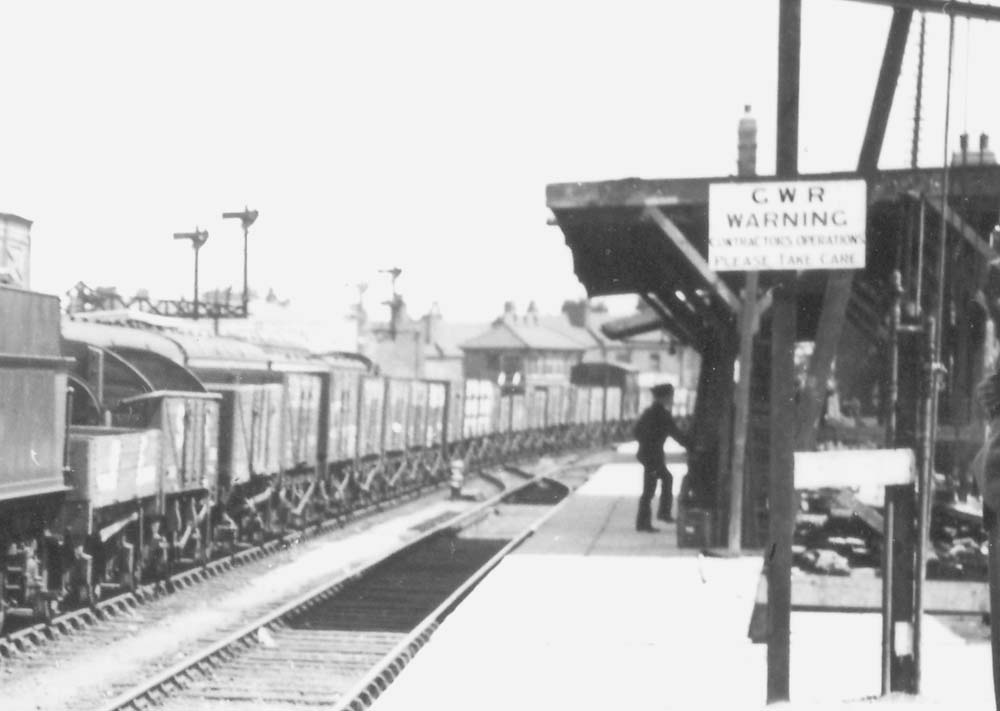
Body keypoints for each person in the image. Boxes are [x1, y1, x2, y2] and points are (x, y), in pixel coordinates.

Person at [633, 383, 690, 532]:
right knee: (650, 489)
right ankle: (645, 522)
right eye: (670, 396)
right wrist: (689, 444)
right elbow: (676, 433)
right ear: (664, 397)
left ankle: (661, 514)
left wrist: (645, 442)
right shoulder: (662, 414)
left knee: (665, 479)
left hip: (647, 454)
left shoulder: (649, 412)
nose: (672, 399)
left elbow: (636, 431)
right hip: (652, 455)